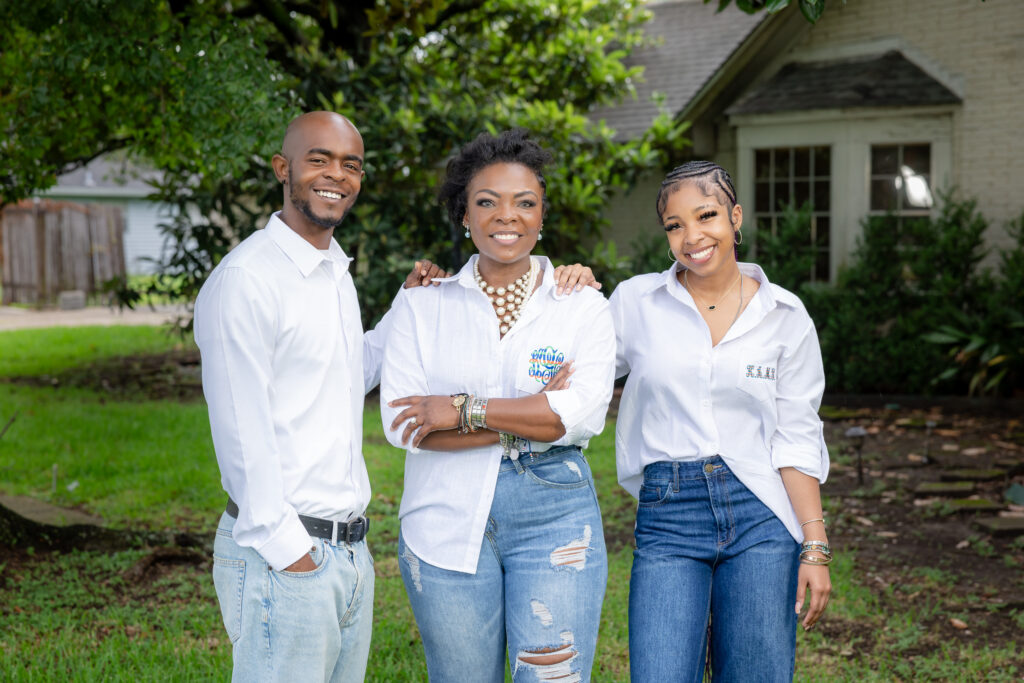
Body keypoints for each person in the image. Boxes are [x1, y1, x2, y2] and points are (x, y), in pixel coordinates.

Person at [194, 111, 596, 681]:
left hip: (347, 551)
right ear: (283, 169)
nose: (336, 175)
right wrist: (293, 554)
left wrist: (407, 311)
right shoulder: (248, 281)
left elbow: (342, 373)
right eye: (319, 160)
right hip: (287, 549)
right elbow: (240, 432)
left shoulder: (331, 270)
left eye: (350, 164)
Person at [379, 129, 615, 683]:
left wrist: (462, 409)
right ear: (464, 213)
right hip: (442, 514)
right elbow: (403, 423)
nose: (506, 216)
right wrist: (530, 415)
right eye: (486, 202)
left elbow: (579, 416)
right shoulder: (424, 305)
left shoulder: (581, 304)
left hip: (555, 512)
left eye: (524, 203)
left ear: (541, 215)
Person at [609, 161, 832, 681]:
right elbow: (575, 370)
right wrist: (561, 282)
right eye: (674, 225)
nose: (692, 236)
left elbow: (796, 436)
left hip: (761, 513)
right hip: (669, 513)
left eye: (705, 215)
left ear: (735, 217)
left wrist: (815, 547)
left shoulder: (786, 315)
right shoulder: (636, 302)